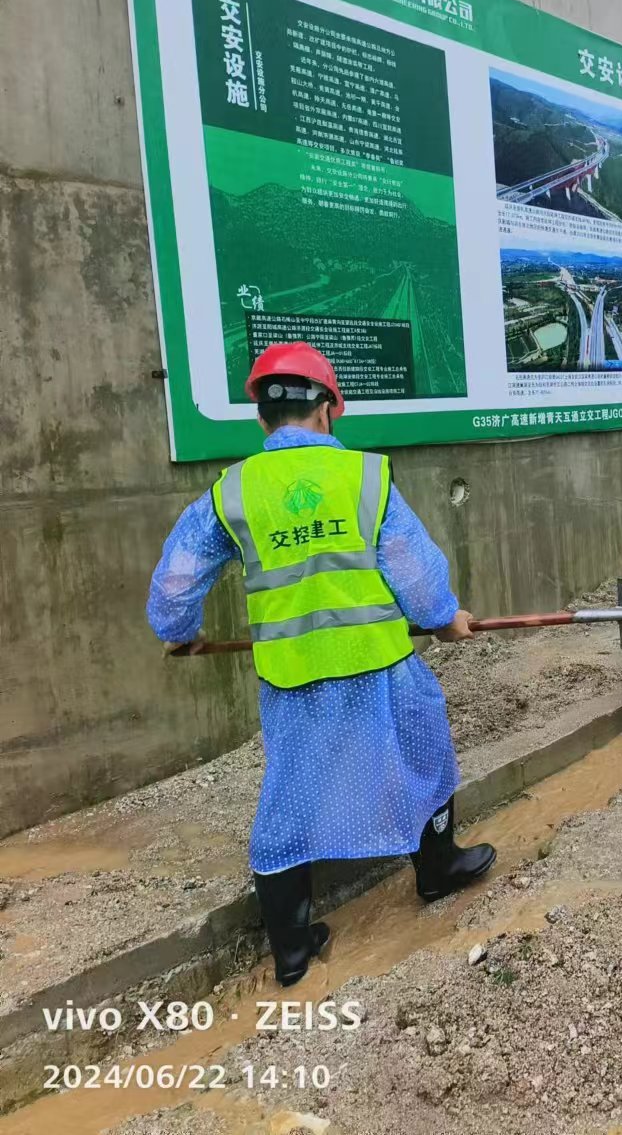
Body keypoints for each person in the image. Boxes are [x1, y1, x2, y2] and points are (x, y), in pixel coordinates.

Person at [148, 343, 495, 987]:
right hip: (381, 665)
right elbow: (414, 572)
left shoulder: (235, 491)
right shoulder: (366, 477)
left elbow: (175, 580)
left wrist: (180, 632)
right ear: (330, 407)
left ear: (262, 418)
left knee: (289, 799)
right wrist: (446, 618)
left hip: (293, 679)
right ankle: (437, 870)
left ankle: (292, 946)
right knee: (422, 757)